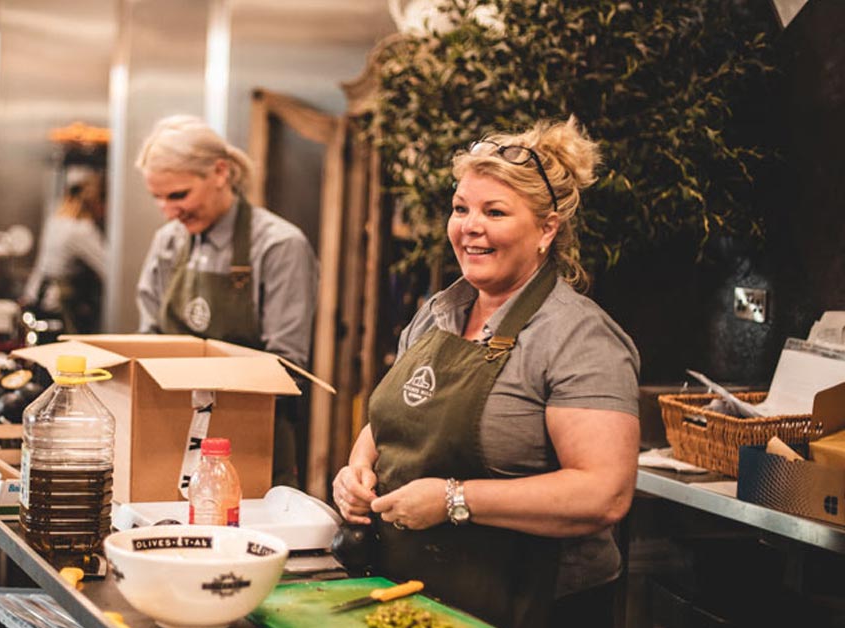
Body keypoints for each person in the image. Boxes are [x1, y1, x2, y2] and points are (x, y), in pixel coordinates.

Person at [332, 118, 640, 628]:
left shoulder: (578, 337)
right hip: (411, 593)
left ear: (547, 229)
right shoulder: (437, 312)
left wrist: (454, 500)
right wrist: (357, 469)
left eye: (494, 212)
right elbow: (396, 418)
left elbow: (604, 493)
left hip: (532, 606)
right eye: (461, 208)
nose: (469, 226)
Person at [135, 115, 318, 487]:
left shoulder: (279, 246)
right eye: (158, 198)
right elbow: (148, 340)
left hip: (250, 447)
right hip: (166, 440)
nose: (169, 211)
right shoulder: (168, 243)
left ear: (220, 172)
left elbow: (288, 367)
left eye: (179, 195)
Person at [22, 171, 107, 333]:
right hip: (57, 304)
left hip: (37, 294)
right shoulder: (80, 230)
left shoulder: (56, 219)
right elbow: (110, 268)